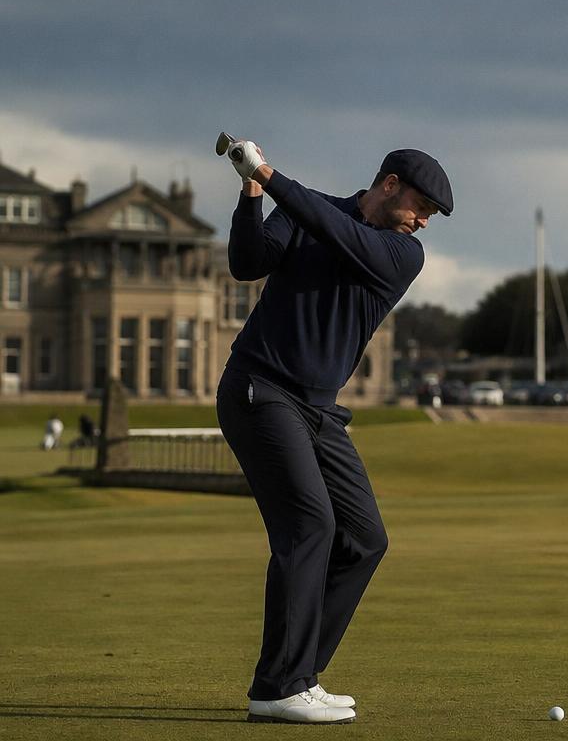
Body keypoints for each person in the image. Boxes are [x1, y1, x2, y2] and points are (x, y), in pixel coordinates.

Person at [215, 139, 453, 725]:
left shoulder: (401, 255)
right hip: (260, 391)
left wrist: (269, 175)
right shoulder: (304, 210)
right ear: (390, 183)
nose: (423, 221)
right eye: (420, 205)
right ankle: (281, 686)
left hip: (319, 410)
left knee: (365, 538)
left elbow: (335, 230)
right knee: (309, 525)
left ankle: (296, 674)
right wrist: (251, 194)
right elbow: (248, 264)